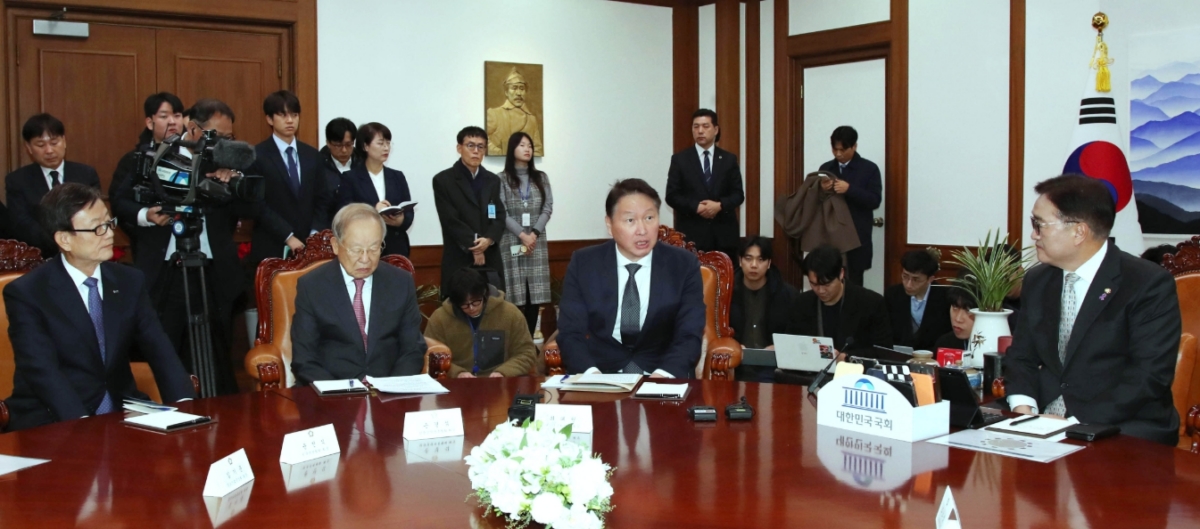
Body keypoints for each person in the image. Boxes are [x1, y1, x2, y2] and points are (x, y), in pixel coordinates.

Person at [2, 183, 194, 432]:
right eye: (97, 228)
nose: (110, 234)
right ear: (64, 239)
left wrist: (186, 408)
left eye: (109, 223)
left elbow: (159, 348)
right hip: (53, 417)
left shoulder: (129, 281)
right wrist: (83, 426)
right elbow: (43, 371)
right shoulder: (29, 292)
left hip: (122, 410)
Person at [1006, 174, 1181, 446]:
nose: (1033, 234)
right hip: (1044, 420)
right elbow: (1021, 356)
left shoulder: (1147, 284)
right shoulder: (1038, 280)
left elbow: (1148, 377)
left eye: (1039, 224)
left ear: (1079, 232)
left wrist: (1073, 423)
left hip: (1123, 427)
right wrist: (1023, 408)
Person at [113, 98, 250, 395]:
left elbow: (250, 207)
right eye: (217, 136)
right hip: (165, 270)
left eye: (229, 137)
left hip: (214, 271)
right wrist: (146, 215)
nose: (223, 143)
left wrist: (235, 179)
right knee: (166, 345)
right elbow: (120, 202)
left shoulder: (225, 161)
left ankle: (220, 411)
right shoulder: (153, 157)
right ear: (195, 129)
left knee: (217, 350)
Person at [558, 179, 706, 379]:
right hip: (601, 374)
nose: (642, 230)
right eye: (630, 220)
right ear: (609, 224)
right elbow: (570, 332)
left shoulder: (683, 265)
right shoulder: (584, 264)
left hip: (663, 372)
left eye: (649, 218)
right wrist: (592, 377)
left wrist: (663, 376)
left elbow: (689, 334)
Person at [289, 204, 426, 385]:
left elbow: (412, 349)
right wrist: (342, 392)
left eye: (374, 248)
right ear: (336, 245)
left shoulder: (400, 282)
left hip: (388, 390)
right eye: (356, 250)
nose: (365, 259)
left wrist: (392, 388)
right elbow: (304, 358)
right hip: (331, 392)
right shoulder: (312, 286)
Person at [245, 90, 331, 268]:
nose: (290, 120)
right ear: (269, 119)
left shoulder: (312, 155)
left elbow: (322, 198)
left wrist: (314, 235)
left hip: (309, 245)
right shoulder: (256, 155)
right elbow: (257, 204)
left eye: (294, 115)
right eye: (283, 115)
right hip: (272, 244)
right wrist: (288, 236)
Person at [6, 113, 100, 256]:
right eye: (40, 145)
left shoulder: (86, 174)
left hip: (83, 252)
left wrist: (76, 242)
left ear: (64, 141)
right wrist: (60, 241)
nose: (49, 150)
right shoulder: (17, 180)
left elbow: (94, 214)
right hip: (40, 255)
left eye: (54, 143)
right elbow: (21, 223)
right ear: (28, 147)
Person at [431, 126, 506, 294]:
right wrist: (475, 245)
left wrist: (488, 240)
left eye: (481, 146)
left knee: (493, 305)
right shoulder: (443, 180)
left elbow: (499, 215)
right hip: (459, 256)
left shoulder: (493, 180)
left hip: (490, 256)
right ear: (459, 148)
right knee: (460, 305)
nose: (476, 151)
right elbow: (450, 220)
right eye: (470, 145)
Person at [425, 267, 537, 378]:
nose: (471, 308)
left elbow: (526, 353)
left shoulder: (510, 313)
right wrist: (457, 373)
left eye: (476, 302)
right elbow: (431, 355)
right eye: (465, 305)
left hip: (500, 382)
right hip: (456, 383)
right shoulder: (439, 319)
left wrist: (503, 372)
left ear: (484, 294)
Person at [665, 108, 745, 259]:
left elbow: (738, 195)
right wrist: (696, 206)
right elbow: (672, 196)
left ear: (716, 130)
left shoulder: (729, 160)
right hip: (692, 236)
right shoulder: (680, 160)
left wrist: (719, 205)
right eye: (696, 126)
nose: (700, 131)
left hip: (724, 236)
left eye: (705, 126)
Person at [497, 131, 553, 336]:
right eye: (522, 145)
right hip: (513, 242)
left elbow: (547, 207)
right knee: (516, 295)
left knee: (533, 296)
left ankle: (529, 342)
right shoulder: (501, 179)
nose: (527, 149)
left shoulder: (541, 177)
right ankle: (516, 342)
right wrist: (523, 235)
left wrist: (533, 234)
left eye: (529, 145)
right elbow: (501, 212)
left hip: (536, 243)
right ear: (512, 149)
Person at [791, 244, 892, 356]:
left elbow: (884, 351)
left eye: (827, 284)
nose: (821, 290)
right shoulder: (801, 303)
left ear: (841, 274)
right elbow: (792, 344)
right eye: (814, 284)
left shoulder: (871, 303)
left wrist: (846, 357)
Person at [336, 122, 413, 257]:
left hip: (395, 247)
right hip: (363, 248)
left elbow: (409, 212)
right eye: (381, 143)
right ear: (365, 146)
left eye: (388, 143)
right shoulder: (350, 178)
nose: (386, 148)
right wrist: (373, 211)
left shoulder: (397, 176)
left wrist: (400, 220)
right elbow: (345, 215)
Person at [818, 126, 881, 286]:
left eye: (843, 149)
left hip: (857, 236)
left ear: (854, 146)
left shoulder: (869, 169)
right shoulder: (826, 168)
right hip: (831, 235)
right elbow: (816, 203)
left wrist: (850, 189)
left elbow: (875, 200)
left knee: (854, 283)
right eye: (835, 149)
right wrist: (821, 190)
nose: (838, 154)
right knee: (828, 279)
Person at [730, 236, 798, 383]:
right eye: (748, 258)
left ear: (769, 263)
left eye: (760, 260)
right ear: (740, 261)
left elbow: (796, 334)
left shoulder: (787, 294)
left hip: (774, 366)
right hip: (734, 363)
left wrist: (781, 346)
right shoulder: (726, 292)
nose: (754, 265)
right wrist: (732, 345)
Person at [111, 92, 185, 203]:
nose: (172, 122)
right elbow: (117, 201)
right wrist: (145, 212)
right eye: (164, 116)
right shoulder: (133, 159)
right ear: (150, 123)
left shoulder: (193, 153)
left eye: (177, 116)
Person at [884, 249, 951, 351]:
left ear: (930, 279)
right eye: (905, 276)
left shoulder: (945, 298)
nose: (908, 284)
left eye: (916, 280)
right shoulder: (892, 295)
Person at [486, 67, 543, 156]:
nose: (519, 93)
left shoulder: (532, 119)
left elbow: (538, 150)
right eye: (514, 88)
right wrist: (501, 153)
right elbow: (483, 140)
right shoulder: (494, 114)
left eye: (522, 89)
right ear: (506, 92)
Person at [320, 117, 360, 224]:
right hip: (329, 226)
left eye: (348, 144)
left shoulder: (363, 163)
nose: (344, 150)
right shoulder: (318, 166)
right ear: (328, 143)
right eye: (338, 145)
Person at [933, 284, 977, 350]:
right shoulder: (944, 344)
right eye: (955, 307)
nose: (958, 319)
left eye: (968, 310)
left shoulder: (993, 347)